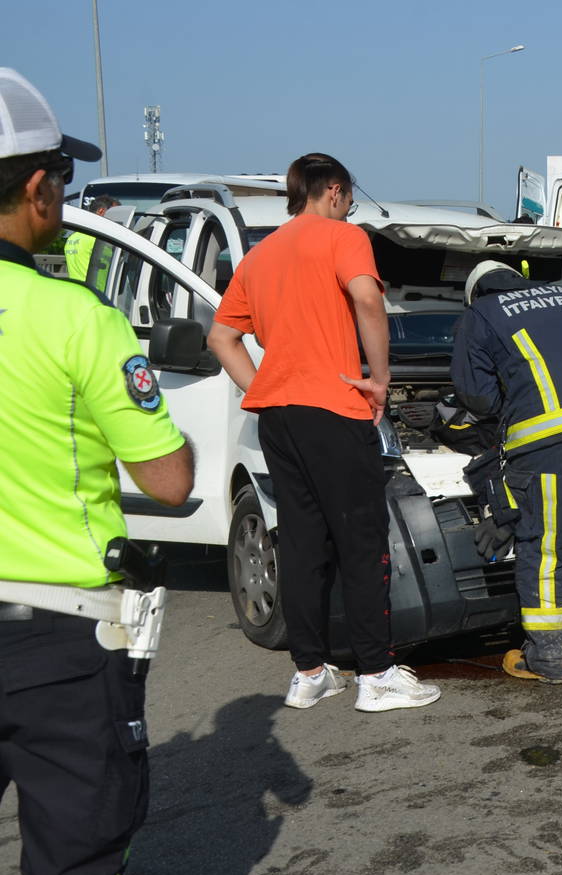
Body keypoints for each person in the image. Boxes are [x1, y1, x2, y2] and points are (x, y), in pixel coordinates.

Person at [0, 68, 194, 875]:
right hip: (60, 645)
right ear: (37, 190)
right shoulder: (77, 317)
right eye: (62, 175)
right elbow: (170, 479)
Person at [207, 152, 441, 713]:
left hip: (279, 418)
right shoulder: (343, 237)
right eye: (350, 201)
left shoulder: (261, 255)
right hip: (334, 410)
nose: (349, 210)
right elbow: (367, 298)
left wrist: (264, 386)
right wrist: (379, 380)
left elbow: (220, 338)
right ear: (333, 190)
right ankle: (377, 675)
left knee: (302, 542)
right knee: (361, 542)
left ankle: (310, 672)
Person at [451, 261, 562, 683]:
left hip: (547, 442)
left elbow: (478, 397)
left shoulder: (481, 314)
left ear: (475, 293)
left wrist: (508, 407)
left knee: (546, 548)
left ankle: (548, 659)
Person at [64, 193, 118, 288]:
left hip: (77, 290)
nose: (116, 222)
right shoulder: (99, 240)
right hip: (97, 291)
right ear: (101, 211)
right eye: (115, 215)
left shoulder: (72, 237)